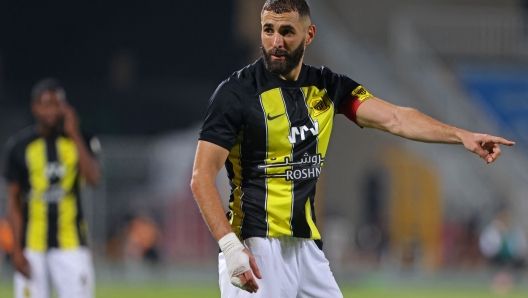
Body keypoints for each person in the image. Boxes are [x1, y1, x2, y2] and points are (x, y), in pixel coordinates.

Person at [190, 0, 515, 296]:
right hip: (255, 247)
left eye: (287, 31)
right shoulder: (234, 94)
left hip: (307, 249)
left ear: (309, 34)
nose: (276, 42)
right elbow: (202, 176)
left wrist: (461, 135)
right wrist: (231, 248)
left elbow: (396, 118)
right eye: (268, 30)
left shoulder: (327, 86)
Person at [2, 78, 101, 298]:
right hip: (33, 245)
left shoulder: (81, 139)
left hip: (72, 243)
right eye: (46, 104)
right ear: (34, 107)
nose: (52, 110)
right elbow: (14, 202)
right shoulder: (19, 147)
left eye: (57, 104)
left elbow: (93, 178)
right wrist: (16, 251)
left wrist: (74, 132)